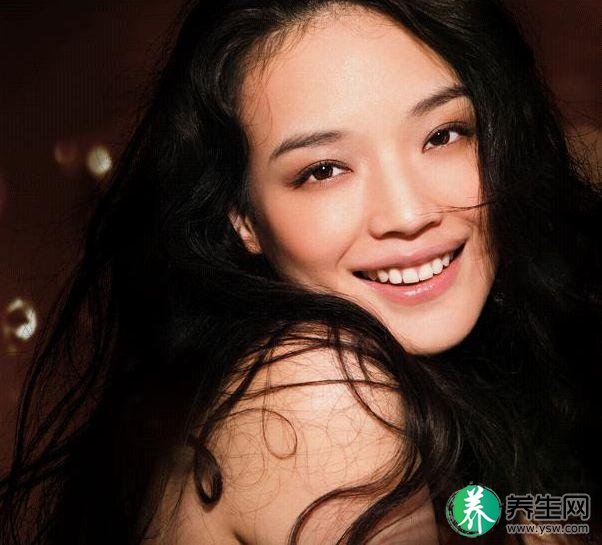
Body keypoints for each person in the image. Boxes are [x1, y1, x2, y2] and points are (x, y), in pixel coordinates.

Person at [1, 1, 600, 544]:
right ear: (243, 218)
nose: (409, 214)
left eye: (443, 135)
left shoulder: (481, 373)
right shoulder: (323, 393)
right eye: (324, 170)